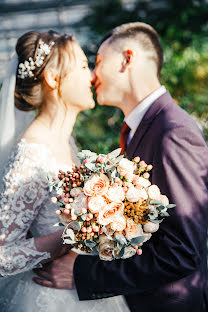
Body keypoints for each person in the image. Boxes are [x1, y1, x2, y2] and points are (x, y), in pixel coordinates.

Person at [34, 23, 208, 312]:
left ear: (127, 59)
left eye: (99, 62)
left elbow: (182, 251)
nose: (92, 74)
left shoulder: (172, 132)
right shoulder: (138, 129)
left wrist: (83, 273)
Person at [0, 30, 129, 312]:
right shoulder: (32, 154)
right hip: (49, 300)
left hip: (82, 286)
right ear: (52, 79)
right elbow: (3, 256)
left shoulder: (65, 141)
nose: (93, 75)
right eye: (83, 66)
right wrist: (74, 233)